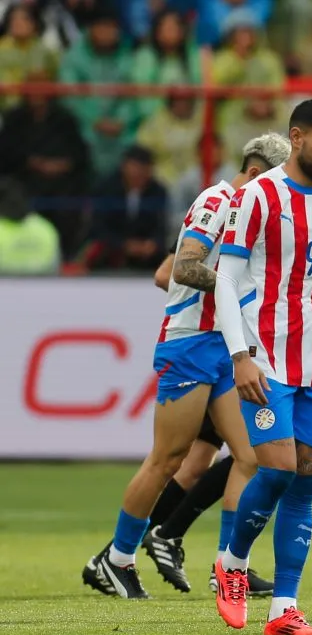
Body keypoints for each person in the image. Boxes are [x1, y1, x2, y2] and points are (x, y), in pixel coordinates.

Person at [80, 133, 291, 600]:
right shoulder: (216, 202)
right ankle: (117, 559)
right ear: (258, 174)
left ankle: (228, 566)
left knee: (252, 455)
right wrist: (235, 288)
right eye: (280, 185)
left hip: (223, 347)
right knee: (166, 460)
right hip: (190, 345)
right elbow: (183, 269)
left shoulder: (249, 215)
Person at [212, 99, 312, 635]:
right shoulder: (259, 196)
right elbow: (227, 279)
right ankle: (231, 563)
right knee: (277, 468)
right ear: (297, 137)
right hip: (266, 358)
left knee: (306, 477)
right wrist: (239, 356)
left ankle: (284, 607)